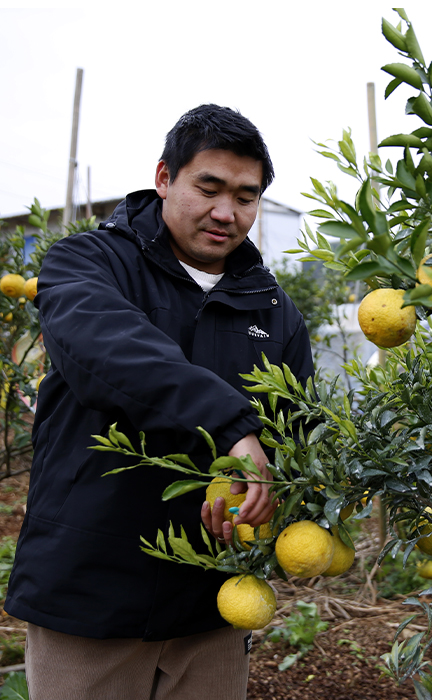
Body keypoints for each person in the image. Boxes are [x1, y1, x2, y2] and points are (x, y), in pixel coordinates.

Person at [4, 104, 314, 699]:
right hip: (88, 598)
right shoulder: (87, 263)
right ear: (165, 178)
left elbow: (294, 429)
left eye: (246, 197)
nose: (227, 212)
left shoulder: (274, 311)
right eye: (209, 187)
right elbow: (109, 350)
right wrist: (231, 425)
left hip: (213, 605)